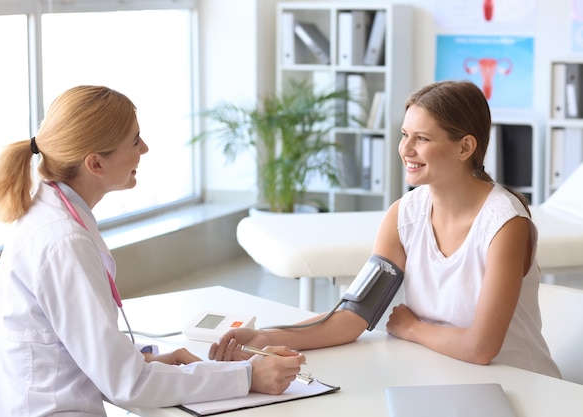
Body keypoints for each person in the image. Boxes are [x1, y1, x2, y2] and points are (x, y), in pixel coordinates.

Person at [0, 85, 306, 416]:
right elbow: (128, 385)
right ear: (95, 163)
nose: (145, 149)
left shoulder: (45, 212)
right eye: (135, 141)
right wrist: (248, 376)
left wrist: (145, 357)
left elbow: (68, 344)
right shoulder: (65, 241)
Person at [209, 80, 561, 379]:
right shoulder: (404, 216)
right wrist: (262, 337)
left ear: (465, 147)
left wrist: (412, 328)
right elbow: (352, 317)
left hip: (522, 383)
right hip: (444, 376)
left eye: (422, 138)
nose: (405, 149)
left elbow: (481, 348)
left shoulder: (505, 225)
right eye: (405, 134)